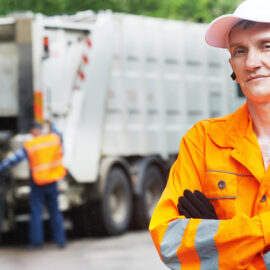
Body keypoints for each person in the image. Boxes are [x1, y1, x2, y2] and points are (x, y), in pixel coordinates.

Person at [149, 0, 270, 269]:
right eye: (240, 51)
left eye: (266, 46)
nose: (251, 62)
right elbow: (169, 242)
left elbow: (197, 255)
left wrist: (218, 235)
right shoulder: (202, 141)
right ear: (232, 67)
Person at [0, 121, 66, 249]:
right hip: (52, 182)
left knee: (36, 213)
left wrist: (2, 167)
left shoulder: (32, 144)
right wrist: (52, 124)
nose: (31, 133)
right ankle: (60, 241)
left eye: (31, 130)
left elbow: (15, 159)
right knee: (55, 212)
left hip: (38, 183)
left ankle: (37, 243)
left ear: (34, 130)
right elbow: (59, 135)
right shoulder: (53, 139)